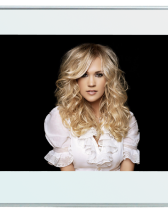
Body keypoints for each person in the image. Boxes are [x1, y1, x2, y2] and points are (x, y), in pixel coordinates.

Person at [44, 43, 140, 171]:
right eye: (84, 74)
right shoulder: (60, 118)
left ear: (109, 79)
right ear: (75, 79)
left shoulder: (126, 119)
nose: (91, 83)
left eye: (99, 74)